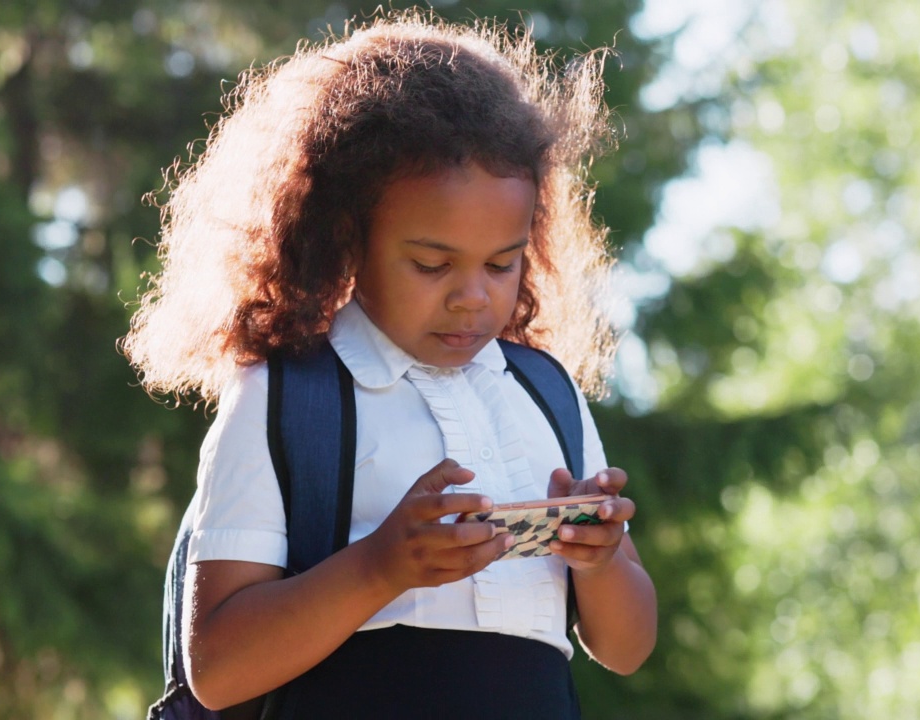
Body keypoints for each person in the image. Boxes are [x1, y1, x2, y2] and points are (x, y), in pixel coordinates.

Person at [122, 9, 656, 718]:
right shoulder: (288, 400)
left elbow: (627, 647)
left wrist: (603, 558)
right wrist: (380, 567)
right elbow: (217, 668)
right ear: (347, 237)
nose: (473, 297)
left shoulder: (546, 395)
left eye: (502, 263)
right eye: (432, 264)